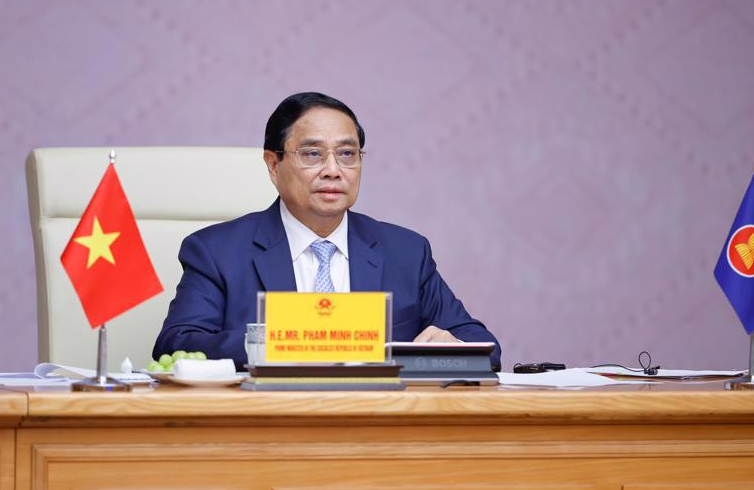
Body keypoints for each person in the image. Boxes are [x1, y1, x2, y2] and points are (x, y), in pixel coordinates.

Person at [153, 92, 501, 369]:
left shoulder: (405, 251)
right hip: (265, 430)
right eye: (313, 154)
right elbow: (177, 343)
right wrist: (282, 344)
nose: (334, 170)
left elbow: (483, 345)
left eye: (348, 154)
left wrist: (452, 345)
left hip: (380, 430)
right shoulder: (217, 251)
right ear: (274, 165)